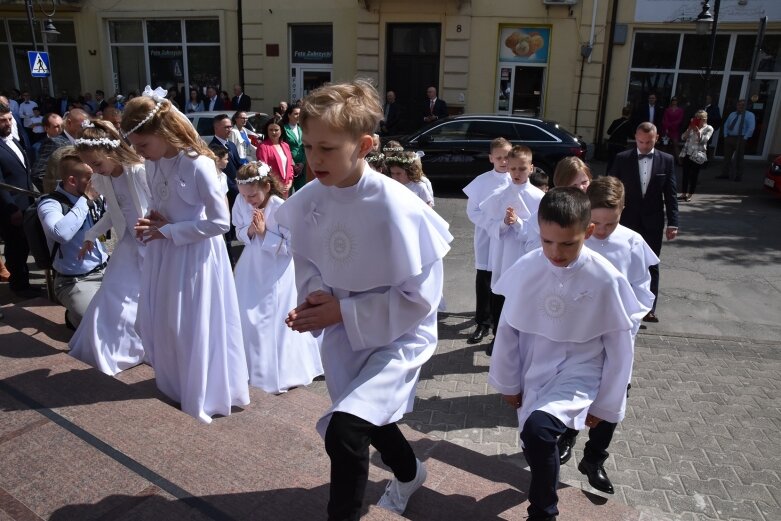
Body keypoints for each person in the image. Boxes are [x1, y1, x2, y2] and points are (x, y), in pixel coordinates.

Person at [276, 80, 452, 520]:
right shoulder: (310, 198)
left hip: (397, 335)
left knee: (345, 432)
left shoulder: (398, 206)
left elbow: (421, 297)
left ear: (365, 144)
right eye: (310, 146)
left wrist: (343, 310)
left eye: (328, 149)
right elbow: (308, 258)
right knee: (366, 415)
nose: (314, 159)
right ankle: (410, 472)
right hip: (342, 334)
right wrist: (315, 299)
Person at [488, 187, 644, 521]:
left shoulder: (605, 278)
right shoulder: (530, 266)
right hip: (535, 365)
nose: (555, 253)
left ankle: (543, 512)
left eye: (567, 243)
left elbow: (620, 348)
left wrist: (606, 403)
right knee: (534, 441)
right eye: (547, 242)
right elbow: (509, 329)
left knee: (538, 430)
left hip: (581, 370)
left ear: (587, 232)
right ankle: (545, 488)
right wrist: (508, 381)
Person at [121, 85, 250, 423]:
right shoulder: (151, 165)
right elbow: (160, 204)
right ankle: (176, 382)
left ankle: (204, 389)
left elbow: (221, 223)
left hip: (195, 256)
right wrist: (153, 219)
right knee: (167, 320)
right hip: (166, 253)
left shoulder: (198, 165)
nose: (141, 153)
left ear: (163, 131)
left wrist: (170, 229)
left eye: (144, 145)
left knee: (192, 323)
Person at [556, 176, 657, 495]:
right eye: (595, 222)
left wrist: (629, 317)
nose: (600, 230)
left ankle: (594, 459)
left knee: (613, 394)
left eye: (609, 223)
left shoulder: (632, 242)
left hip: (616, 334)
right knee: (570, 386)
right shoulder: (575, 238)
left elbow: (643, 289)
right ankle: (567, 435)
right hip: (577, 334)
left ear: (623, 212)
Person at [232, 161, 323, 393]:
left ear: (266, 186)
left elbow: (292, 246)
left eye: (252, 195)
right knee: (247, 314)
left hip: (276, 269)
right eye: (243, 195)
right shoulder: (241, 203)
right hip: (251, 266)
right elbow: (239, 230)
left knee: (273, 317)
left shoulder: (281, 207)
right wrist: (250, 231)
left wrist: (265, 234)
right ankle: (250, 368)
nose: (248, 200)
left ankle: (280, 370)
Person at [69, 119, 150, 375]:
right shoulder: (105, 179)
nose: (95, 170)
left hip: (152, 243)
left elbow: (157, 204)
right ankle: (106, 348)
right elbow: (114, 213)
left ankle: (141, 345)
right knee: (112, 292)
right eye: (90, 165)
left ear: (112, 151)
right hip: (128, 242)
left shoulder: (136, 172)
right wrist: (92, 234)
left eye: (97, 163)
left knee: (144, 296)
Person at [609, 122, 678, 323]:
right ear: (635, 138)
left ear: (656, 138)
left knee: (651, 264)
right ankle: (621, 304)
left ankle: (649, 308)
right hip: (626, 221)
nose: (644, 146)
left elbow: (671, 194)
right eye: (640, 141)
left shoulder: (667, 160)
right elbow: (611, 190)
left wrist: (673, 223)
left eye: (648, 142)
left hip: (652, 221)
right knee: (623, 262)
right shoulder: (622, 159)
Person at [478, 145, 544, 354]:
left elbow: (538, 232)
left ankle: (520, 339)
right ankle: (498, 337)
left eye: (522, 169)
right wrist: (504, 224)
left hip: (525, 256)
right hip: (502, 254)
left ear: (531, 169)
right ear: (508, 168)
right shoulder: (499, 195)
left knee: (521, 298)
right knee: (499, 296)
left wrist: (517, 223)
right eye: (513, 169)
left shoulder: (538, 198)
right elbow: (488, 225)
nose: (517, 173)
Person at [38, 148, 108, 327]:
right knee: (97, 325)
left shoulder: (97, 196)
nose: (97, 180)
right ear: (71, 180)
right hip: (75, 281)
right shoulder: (50, 204)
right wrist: (86, 199)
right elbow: (61, 234)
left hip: (107, 271)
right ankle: (73, 316)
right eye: (91, 177)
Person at [462, 137, 512, 345]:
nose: (503, 161)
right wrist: (494, 225)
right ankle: (482, 322)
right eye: (498, 157)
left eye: (507, 157)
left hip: (509, 239)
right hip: (486, 237)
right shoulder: (481, 182)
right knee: (484, 278)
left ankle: (501, 325)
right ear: (491, 158)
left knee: (504, 280)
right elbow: (472, 211)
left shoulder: (516, 179)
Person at [0, 102, 38, 297]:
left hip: (26, 202)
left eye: (9, 119)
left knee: (23, 245)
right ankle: (19, 285)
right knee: (15, 247)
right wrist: (11, 208)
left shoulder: (12, 140)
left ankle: (24, 281)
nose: (7, 123)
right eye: (2, 121)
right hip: (11, 207)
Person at [679, 110, 714, 202]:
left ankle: (690, 194)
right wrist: (690, 128)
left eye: (700, 118)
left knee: (694, 175)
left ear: (705, 119)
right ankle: (683, 193)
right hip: (688, 153)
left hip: (698, 154)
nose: (697, 120)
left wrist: (698, 132)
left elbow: (704, 140)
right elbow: (683, 137)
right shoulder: (692, 126)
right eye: (696, 118)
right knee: (685, 174)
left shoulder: (709, 128)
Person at [717, 99, 755, 182]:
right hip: (730, 137)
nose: (740, 106)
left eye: (743, 105)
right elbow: (726, 124)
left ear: (746, 106)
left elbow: (751, 127)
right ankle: (725, 174)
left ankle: (738, 175)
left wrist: (745, 138)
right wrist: (726, 135)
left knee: (739, 158)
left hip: (740, 138)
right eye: (739, 105)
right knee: (727, 157)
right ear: (737, 105)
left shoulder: (749, 115)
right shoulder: (732, 114)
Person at [257, 118, 294, 198]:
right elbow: (264, 170)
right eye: (271, 130)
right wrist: (276, 185)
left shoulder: (285, 145)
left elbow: (290, 166)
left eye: (276, 130)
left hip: (286, 187)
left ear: (281, 131)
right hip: (273, 188)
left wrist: (290, 181)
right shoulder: (263, 147)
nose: (273, 132)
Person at [281, 105, 307, 193]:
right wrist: (293, 163)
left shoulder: (301, 129)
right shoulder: (283, 128)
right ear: (289, 115)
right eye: (296, 114)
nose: (298, 116)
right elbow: (282, 147)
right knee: (287, 194)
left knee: (302, 193)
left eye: (300, 114)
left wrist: (303, 163)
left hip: (302, 168)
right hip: (289, 166)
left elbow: (305, 147)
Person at [606, 106, 633, 173]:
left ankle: (607, 176)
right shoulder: (628, 123)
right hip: (621, 145)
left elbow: (608, 132)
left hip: (612, 144)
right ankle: (616, 177)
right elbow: (631, 135)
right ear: (629, 114)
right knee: (619, 162)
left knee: (610, 162)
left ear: (622, 113)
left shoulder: (615, 121)